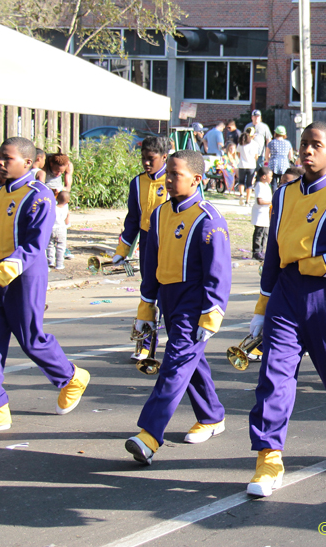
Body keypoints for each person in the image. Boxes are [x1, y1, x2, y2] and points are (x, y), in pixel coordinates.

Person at [245, 121, 326, 498]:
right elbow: (273, 254)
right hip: (286, 293)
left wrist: (309, 264)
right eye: (304, 144)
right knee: (273, 374)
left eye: (316, 145)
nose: (308, 151)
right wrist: (262, 304)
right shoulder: (283, 194)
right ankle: (269, 456)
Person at [0, 137, 89, 437]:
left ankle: (71, 377)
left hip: (26, 276)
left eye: (8, 158)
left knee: (31, 339)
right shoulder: (2, 192)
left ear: (28, 163)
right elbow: (0, 243)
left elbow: (34, 247)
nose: (1, 163)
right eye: (0, 158)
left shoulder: (39, 196)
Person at [125, 150, 231, 465]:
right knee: (189, 362)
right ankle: (212, 415)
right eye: (167, 174)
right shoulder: (159, 214)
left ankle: (149, 434)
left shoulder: (208, 218)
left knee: (175, 364)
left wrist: (211, 312)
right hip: (169, 299)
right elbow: (151, 262)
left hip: (193, 301)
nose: (168, 181)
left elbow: (218, 271)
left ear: (197, 179)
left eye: (176, 175)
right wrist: (147, 306)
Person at [112, 136, 170, 283]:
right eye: (143, 158)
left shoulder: (173, 181)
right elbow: (133, 219)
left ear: (164, 157)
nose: (146, 162)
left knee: (167, 289)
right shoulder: (137, 183)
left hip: (169, 242)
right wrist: (122, 250)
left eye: (151, 158)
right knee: (148, 285)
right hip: (146, 241)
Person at [251, 166, 273, 261]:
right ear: (264, 176)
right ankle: (256, 251)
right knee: (259, 233)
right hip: (260, 213)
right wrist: (271, 202)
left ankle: (262, 250)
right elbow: (260, 201)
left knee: (265, 233)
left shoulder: (267, 185)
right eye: (270, 176)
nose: (271, 178)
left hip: (265, 213)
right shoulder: (259, 185)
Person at [265, 126, 294, 193]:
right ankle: (282, 194)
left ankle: (274, 195)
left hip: (274, 164)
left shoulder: (271, 143)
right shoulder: (288, 143)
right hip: (284, 164)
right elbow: (290, 156)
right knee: (283, 181)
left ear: (275, 133)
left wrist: (268, 160)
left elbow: (266, 155)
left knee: (274, 182)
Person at [236, 127, 260, 206]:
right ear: (252, 135)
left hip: (242, 165)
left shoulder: (241, 143)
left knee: (241, 181)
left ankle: (241, 195)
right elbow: (256, 156)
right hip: (251, 165)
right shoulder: (255, 144)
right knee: (249, 183)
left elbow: (238, 154)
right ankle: (247, 200)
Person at [47, 191, 71, 270]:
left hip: (51, 228)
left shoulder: (53, 207)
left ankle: (50, 261)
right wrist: (67, 225)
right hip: (61, 229)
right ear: (68, 201)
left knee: (50, 245)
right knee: (61, 246)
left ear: (56, 198)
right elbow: (67, 219)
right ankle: (59, 264)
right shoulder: (66, 208)